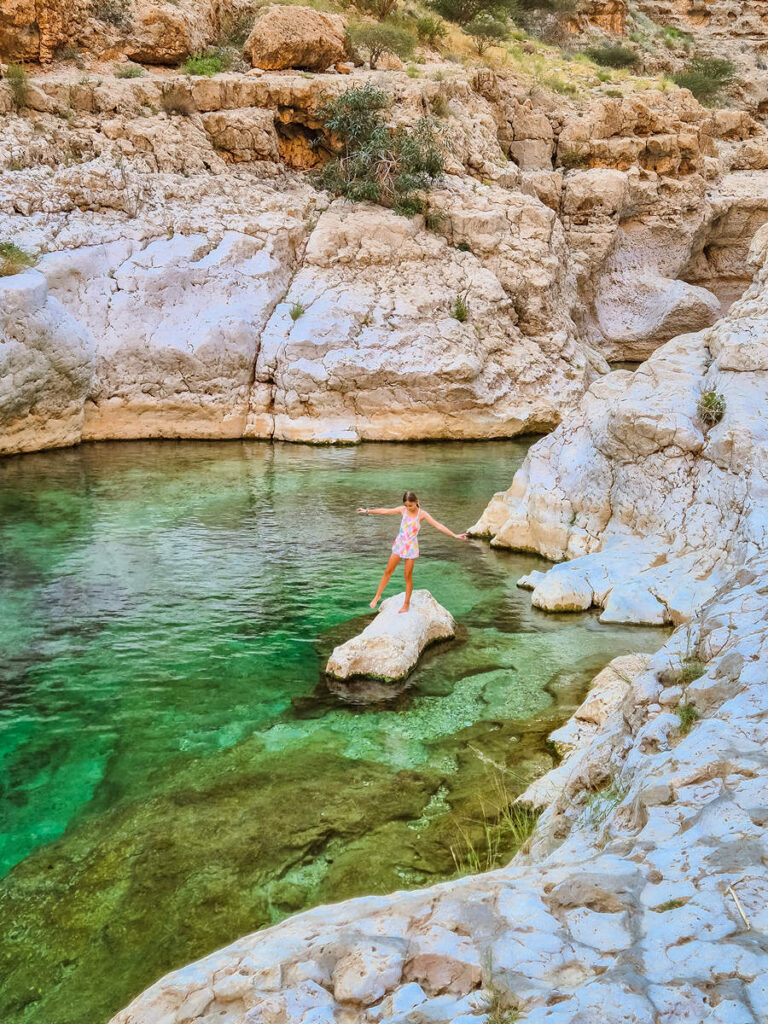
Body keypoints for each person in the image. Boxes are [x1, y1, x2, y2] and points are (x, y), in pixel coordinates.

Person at [357, 491, 467, 613]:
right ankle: (377, 596)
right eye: (407, 505)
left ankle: (406, 604)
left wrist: (454, 535)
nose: (408, 508)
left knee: (407, 576)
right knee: (388, 571)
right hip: (399, 545)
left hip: (411, 548)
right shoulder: (402, 510)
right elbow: (385, 511)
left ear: (417, 502)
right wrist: (367, 511)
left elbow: (438, 526)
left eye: (411, 505)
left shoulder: (422, 514)